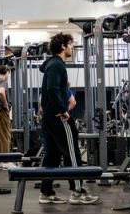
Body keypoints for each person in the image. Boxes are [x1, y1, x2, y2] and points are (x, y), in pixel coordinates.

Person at [37, 32, 99, 205]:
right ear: (63, 46)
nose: (72, 48)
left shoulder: (52, 64)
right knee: (72, 153)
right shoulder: (57, 65)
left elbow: (51, 89)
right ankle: (77, 192)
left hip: (50, 116)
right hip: (58, 116)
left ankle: (46, 192)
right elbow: (52, 89)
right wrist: (63, 110)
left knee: (52, 155)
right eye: (70, 44)